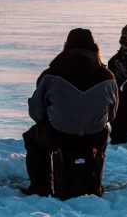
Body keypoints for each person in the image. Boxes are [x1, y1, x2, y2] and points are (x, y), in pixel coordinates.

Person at [22, 28, 118, 197]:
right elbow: (112, 113)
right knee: (102, 139)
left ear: (66, 46)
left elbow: (36, 111)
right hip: (95, 135)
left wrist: (47, 120)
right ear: (94, 46)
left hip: (59, 135)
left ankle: (40, 187)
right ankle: (95, 179)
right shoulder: (107, 76)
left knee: (33, 139)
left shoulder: (51, 74)